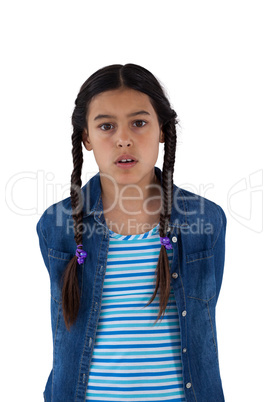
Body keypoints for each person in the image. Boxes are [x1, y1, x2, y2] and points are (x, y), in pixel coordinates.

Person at [36, 63, 227, 402]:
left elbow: (201, 324)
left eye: (139, 123)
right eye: (106, 126)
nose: (123, 139)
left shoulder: (205, 220)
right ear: (87, 137)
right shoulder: (57, 224)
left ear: (162, 130)